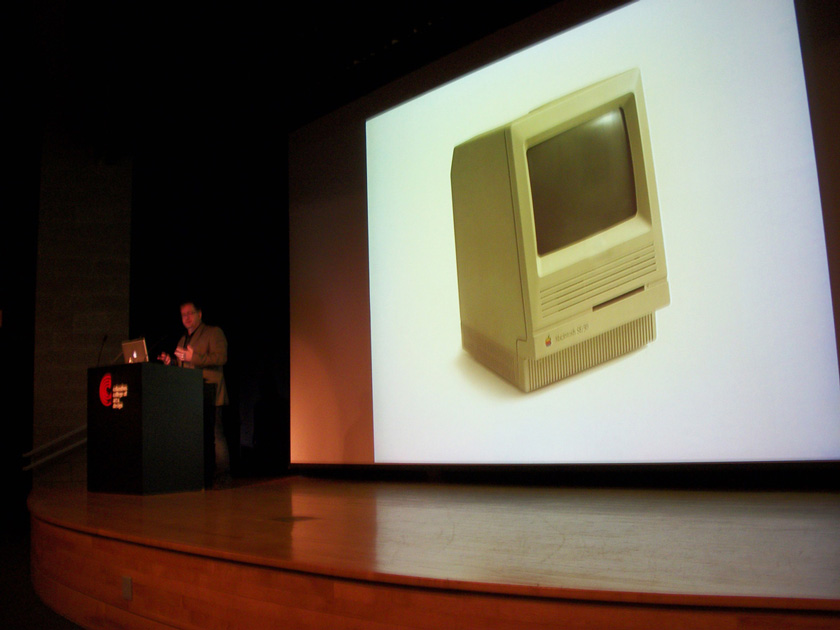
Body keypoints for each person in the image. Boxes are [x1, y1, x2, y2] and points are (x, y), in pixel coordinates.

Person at [158, 300, 230, 486]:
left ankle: (222, 477)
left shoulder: (214, 332)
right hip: (191, 396)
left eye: (190, 313)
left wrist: (193, 357)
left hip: (211, 393)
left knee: (216, 435)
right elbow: (185, 365)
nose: (187, 318)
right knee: (196, 437)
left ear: (200, 314)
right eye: (183, 315)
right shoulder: (183, 339)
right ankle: (200, 476)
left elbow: (221, 357)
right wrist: (171, 362)